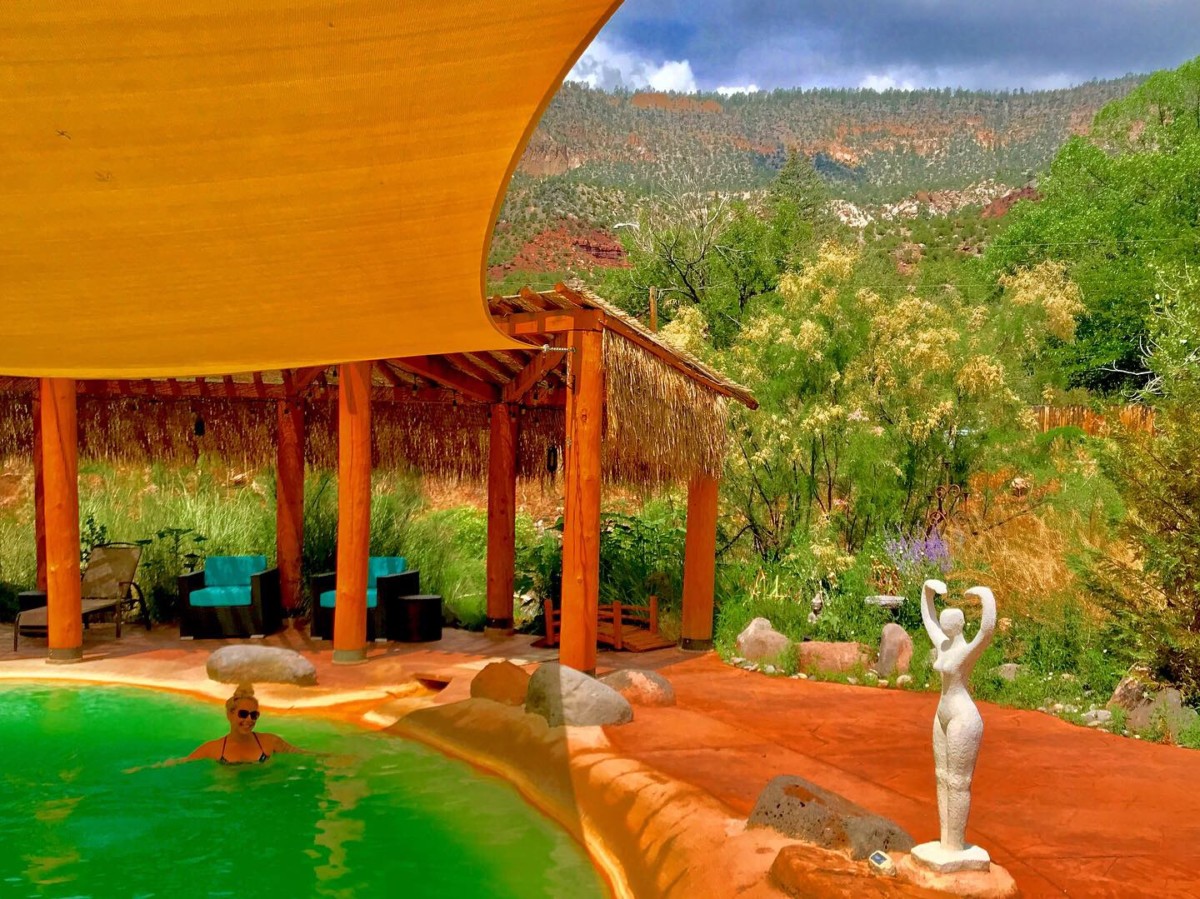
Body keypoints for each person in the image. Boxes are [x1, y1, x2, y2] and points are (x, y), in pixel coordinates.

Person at [920, 578, 996, 852]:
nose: (945, 623)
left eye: (951, 620)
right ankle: (946, 841)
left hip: (963, 718)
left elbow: (987, 630)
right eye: (945, 620)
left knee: (958, 781)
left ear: (961, 624)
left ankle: (955, 845)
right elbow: (927, 618)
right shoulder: (943, 645)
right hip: (942, 715)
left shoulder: (966, 651)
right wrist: (927, 591)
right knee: (941, 776)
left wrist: (985, 597)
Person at [186, 684, 305, 764]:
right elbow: (183, 762)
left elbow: (301, 754)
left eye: (254, 715)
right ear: (230, 714)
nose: (249, 719)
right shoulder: (213, 748)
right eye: (243, 714)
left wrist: (323, 756)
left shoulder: (271, 742)